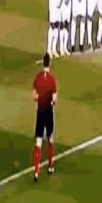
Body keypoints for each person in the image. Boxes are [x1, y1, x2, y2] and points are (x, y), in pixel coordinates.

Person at [32, 53, 57, 182]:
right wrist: (50, 103)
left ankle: (36, 172)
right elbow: (54, 99)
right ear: (49, 64)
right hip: (48, 112)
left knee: (38, 141)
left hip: (40, 112)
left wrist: (38, 101)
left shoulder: (38, 78)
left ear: (43, 63)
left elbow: (34, 95)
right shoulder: (52, 80)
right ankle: (51, 165)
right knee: (50, 138)